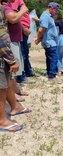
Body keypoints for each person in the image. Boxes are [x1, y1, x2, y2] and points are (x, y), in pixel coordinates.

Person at [0, 4, 31, 132]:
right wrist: (11, 60)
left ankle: (14, 107)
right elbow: (1, 37)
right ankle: (1, 121)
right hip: (3, 52)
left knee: (5, 83)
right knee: (1, 87)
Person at [1, 0, 29, 102]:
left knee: (16, 69)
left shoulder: (8, 4)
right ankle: (12, 95)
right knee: (12, 69)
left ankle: (16, 89)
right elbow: (13, 19)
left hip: (15, 39)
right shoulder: (3, 5)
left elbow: (17, 19)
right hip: (10, 40)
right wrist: (23, 10)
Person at [35, 2, 59, 81]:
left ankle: (50, 73)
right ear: (51, 8)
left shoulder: (48, 16)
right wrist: (38, 38)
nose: (57, 12)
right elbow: (41, 29)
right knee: (53, 58)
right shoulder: (45, 16)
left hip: (51, 41)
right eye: (56, 10)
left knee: (50, 58)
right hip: (49, 42)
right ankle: (52, 75)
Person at [11, 0, 34, 84]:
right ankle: (20, 76)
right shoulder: (13, 2)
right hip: (20, 31)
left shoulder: (19, 1)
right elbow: (14, 16)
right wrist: (24, 29)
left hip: (23, 31)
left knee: (24, 53)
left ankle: (26, 72)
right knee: (22, 53)